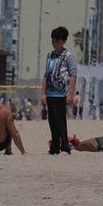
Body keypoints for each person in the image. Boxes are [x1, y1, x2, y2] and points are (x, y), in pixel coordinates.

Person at [41, 26, 77, 154]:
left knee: (60, 121)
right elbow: (46, 75)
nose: (55, 43)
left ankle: (65, 146)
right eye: (53, 40)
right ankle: (55, 146)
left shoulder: (68, 56)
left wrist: (71, 94)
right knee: (51, 121)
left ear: (63, 41)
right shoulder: (50, 56)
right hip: (51, 93)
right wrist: (43, 93)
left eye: (57, 41)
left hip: (62, 94)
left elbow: (73, 75)